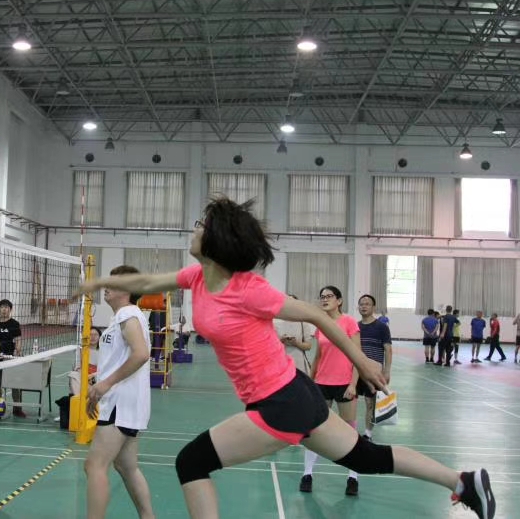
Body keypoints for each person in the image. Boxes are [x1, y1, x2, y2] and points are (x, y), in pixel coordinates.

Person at [79, 196, 496, 519]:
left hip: (280, 401)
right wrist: (98, 283)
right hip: (294, 395)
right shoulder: (197, 277)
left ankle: (463, 481)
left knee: (191, 461)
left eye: (201, 225)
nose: (195, 229)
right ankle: (463, 480)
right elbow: (150, 281)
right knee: (365, 458)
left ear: (217, 240)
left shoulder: (249, 290)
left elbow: (317, 315)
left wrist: (362, 362)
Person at [83, 265, 155, 519]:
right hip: (123, 404)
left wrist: (105, 385)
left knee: (94, 466)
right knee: (127, 466)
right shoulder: (123, 317)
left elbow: (141, 354)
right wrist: (98, 386)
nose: (106, 286)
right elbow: (119, 360)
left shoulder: (127, 314)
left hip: (120, 405)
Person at [301, 285, 361, 496]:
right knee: (314, 429)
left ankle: (353, 477)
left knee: (350, 431)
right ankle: (307, 474)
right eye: (322, 297)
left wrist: (353, 384)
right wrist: (310, 382)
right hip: (321, 383)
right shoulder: (321, 324)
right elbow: (318, 356)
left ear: (339, 300)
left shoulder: (349, 322)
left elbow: (357, 356)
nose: (325, 299)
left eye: (329, 296)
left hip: (344, 384)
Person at [356, 294, 392, 440]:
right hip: (356, 371)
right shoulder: (355, 327)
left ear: (373, 307)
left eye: (367, 304)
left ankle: (367, 434)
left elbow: (388, 350)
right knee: (349, 401)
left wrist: (386, 371)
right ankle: (349, 432)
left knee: (370, 403)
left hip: (373, 373)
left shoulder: (382, 327)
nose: (364, 306)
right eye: (361, 304)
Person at [0, 299, 25, 418]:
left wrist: (17, 351)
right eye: (2, 307)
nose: (4, 309)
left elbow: (18, 339)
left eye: (6, 307)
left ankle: (17, 408)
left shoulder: (14, 323)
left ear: (10, 309)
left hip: (10, 357)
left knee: (14, 383)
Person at [273, 295, 313, 374]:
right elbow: (271, 346)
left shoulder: (303, 322)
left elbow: (308, 346)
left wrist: (296, 343)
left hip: (299, 363)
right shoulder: (275, 322)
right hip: (281, 363)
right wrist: (281, 341)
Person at [69, 326, 100, 396]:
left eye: (95, 335)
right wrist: (84, 375)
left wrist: (92, 375)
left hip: (96, 377)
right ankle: (79, 399)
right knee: (73, 374)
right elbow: (77, 367)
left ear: (99, 337)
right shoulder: (81, 350)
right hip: (84, 376)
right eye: (90, 334)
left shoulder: (103, 351)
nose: (93, 337)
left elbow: (105, 370)